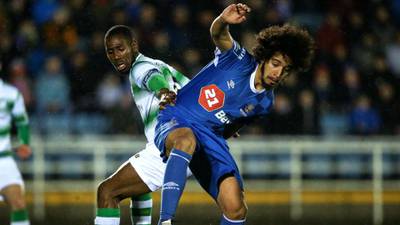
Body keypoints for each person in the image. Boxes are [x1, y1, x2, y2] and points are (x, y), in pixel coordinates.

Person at [154, 3, 315, 225]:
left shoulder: (265, 103)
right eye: (276, 64)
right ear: (264, 58)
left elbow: (231, 127)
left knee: (236, 207)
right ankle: (165, 221)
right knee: (184, 140)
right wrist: (222, 19)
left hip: (210, 138)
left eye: (285, 69)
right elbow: (218, 34)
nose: (278, 73)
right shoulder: (237, 60)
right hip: (179, 115)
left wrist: (224, 129)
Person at [94, 25, 192, 225]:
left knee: (107, 192)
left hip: (168, 148)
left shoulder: (140, 68)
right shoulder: (162, 65)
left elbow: (151, 79)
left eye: (120, 49)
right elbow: (193, 90)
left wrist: (163, 91)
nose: (116, 56)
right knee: (138, 190)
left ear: (134, 45)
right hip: (189, 144)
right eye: (110, 51)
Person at [0, 60, 32, 225]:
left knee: (19, 204)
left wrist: (24, 142)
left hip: (3, 161)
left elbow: (22, 121)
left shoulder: (11, 94)